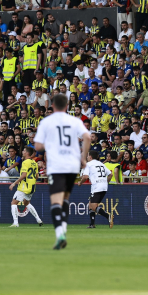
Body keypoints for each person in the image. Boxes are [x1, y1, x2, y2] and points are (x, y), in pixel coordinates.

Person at [34, 93, 90, 250]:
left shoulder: (46, 122)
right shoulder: (75, 121)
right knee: (65, 198)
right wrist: (83, 158)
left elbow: (38, 146)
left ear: (52, 106)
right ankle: (63, 230)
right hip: (72, 165)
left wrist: (50, 144)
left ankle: (60, 234)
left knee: (56, 201)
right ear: (67, 106)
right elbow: (87, 137)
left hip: (56, 165)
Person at [8, 146, 43, 228]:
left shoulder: (25, 162)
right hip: (32, 186)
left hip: (24, 186)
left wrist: (14, 183)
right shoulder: (34, 162)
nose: (22, 151)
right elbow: (37, 176)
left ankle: (15, 223)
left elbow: (24, 175)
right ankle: (38, 219)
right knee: (26, 203)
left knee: (13, 203)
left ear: (27, 153)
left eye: (24, 150)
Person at [79, 150, 114, 229]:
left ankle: (108, 216)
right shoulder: (101, 164)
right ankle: (92, 224)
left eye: (88, 156)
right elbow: (110, 174)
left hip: (97, 186)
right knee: (90, 205)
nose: (87, 157)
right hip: (103, 186)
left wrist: (80, 183)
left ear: (90, 157)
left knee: (93, 206)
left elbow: (85, 177)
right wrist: (105, 182)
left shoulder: (89, 164)